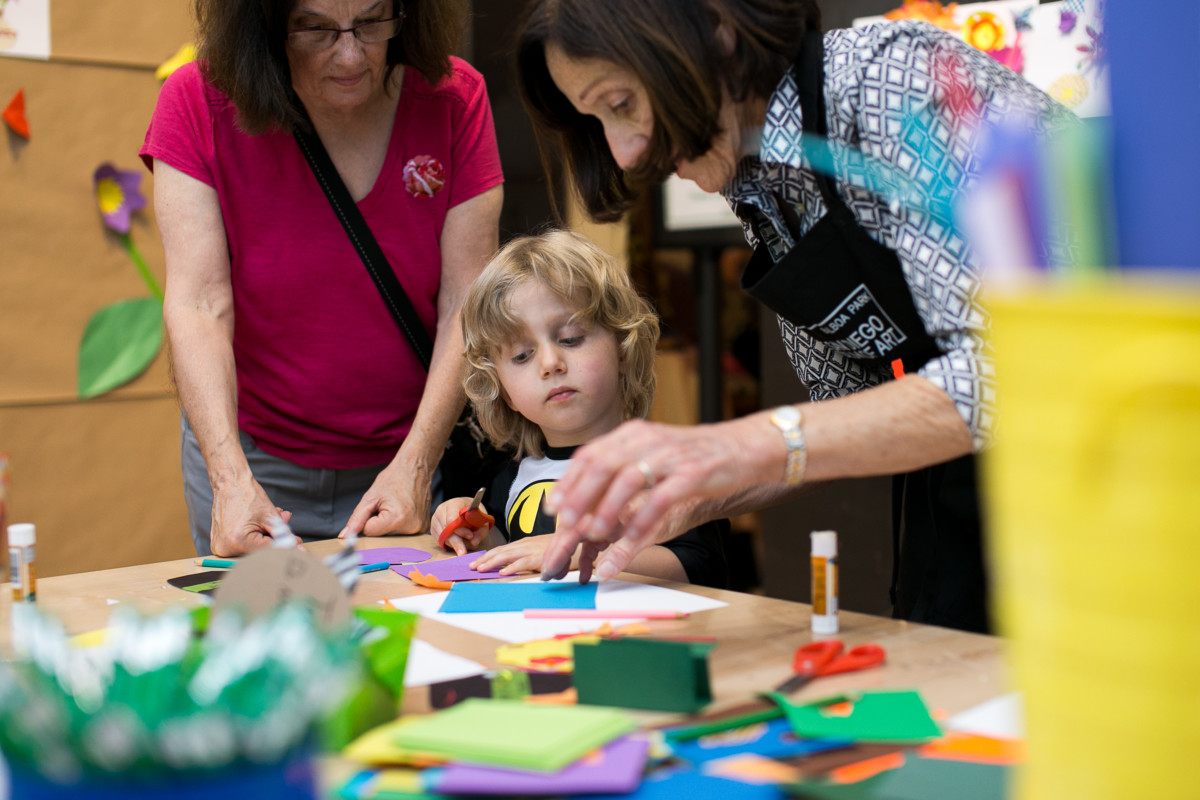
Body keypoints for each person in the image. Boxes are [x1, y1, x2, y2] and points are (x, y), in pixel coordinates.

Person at [514, 0, 1078, 632]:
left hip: (1104, 469)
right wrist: (689, 497)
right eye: (598, 121)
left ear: (716, 29)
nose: (622, 154)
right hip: (958, 499)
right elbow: (843, 407)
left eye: (620, 103)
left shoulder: (888, 81)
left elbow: (1004, 372)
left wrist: (729, 446)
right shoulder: (761, 188)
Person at [139, 0, 503, 557]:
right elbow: (199, 305)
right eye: (315, 29)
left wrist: (417, 462)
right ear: (265, 24)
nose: (351, 55)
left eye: (373, 21)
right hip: (251, 456)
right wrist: (230, 480)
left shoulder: (454, 99)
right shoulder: (197, 101)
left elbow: (466, 303)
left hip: (408, 453)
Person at [429, 230, 729, 588]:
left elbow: (700, 565)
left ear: (622, 348)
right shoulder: (509, 479)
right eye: (522, 356)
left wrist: (583, 554)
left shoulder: (669, 465)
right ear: (505, 393)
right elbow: (507, 553)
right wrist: (471, 527)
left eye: (570, 338)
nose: (550, 364)